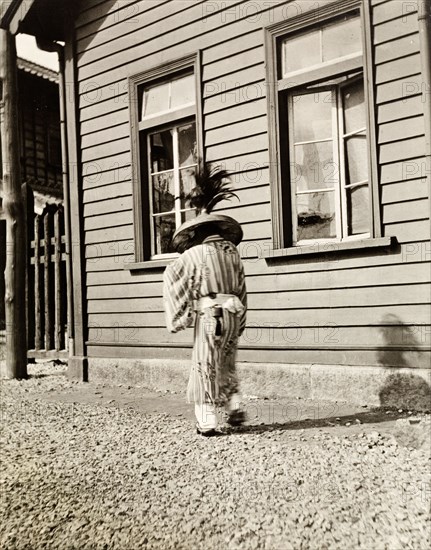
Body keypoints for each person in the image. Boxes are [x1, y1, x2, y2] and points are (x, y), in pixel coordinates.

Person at [162, 168, 247, 436]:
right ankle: (234, 408)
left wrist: (183, 314)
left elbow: (172, 274)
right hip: (233, 315)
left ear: (197, 232)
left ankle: (207, 421)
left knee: (205, 363)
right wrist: (241, 322)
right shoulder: (233, 253)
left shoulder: (195, 254)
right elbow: (242, 291)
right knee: (227, 361)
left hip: (211, 316)